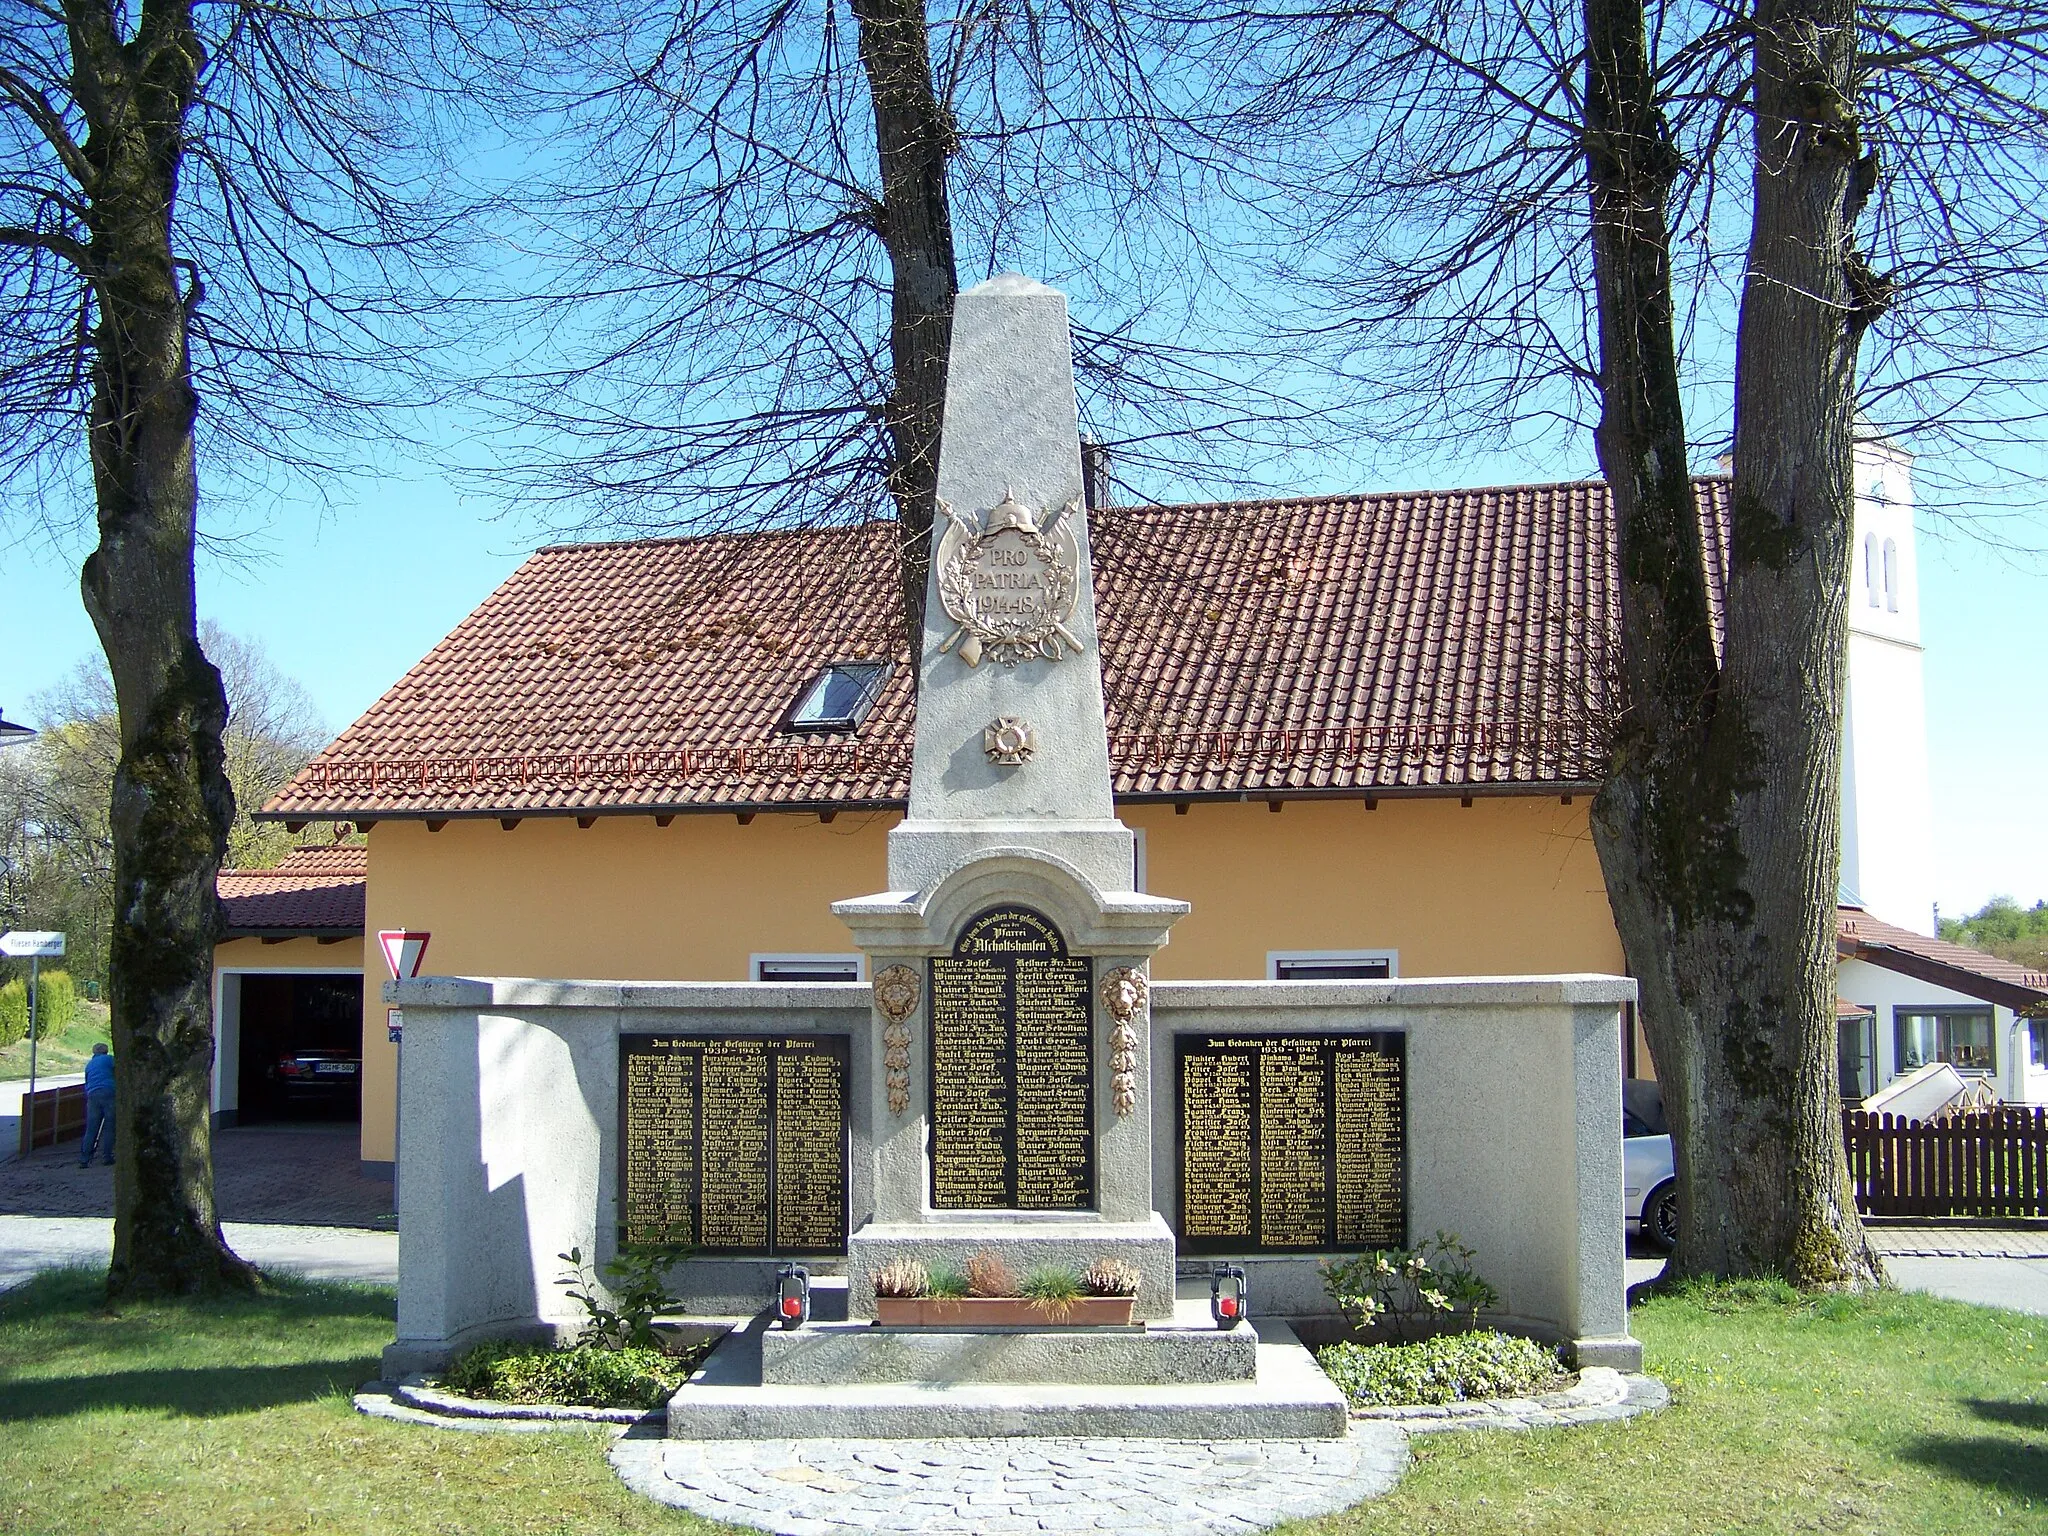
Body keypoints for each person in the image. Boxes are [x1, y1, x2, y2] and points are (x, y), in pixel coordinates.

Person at [79, 1041, 114, 1168]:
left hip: (93, 1095)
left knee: (91, 1128)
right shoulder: (110, 1060)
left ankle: (85, 1158)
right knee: (110, 1126)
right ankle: (107, 1156)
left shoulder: (89, 1065)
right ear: (106, 1051)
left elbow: (87, 1081)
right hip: (109, 1092)